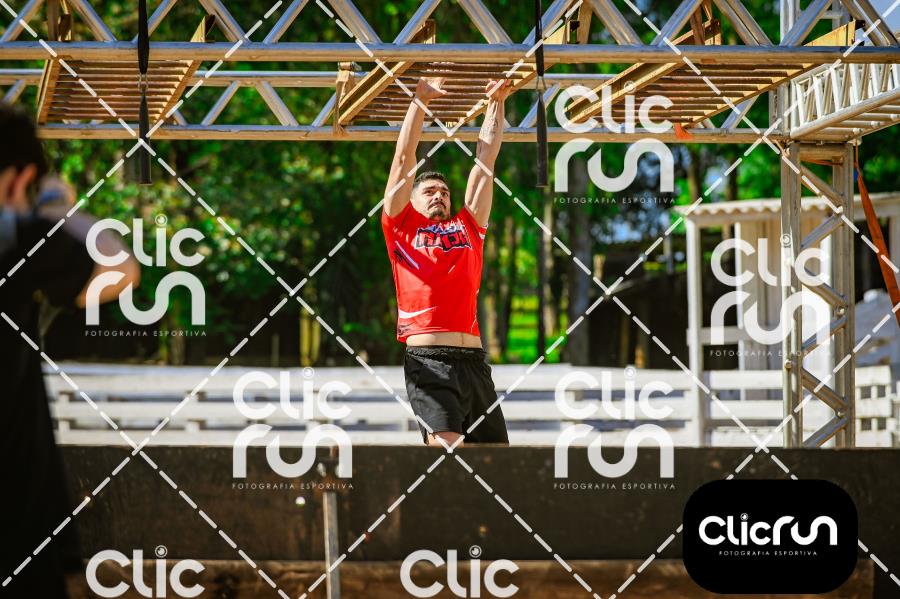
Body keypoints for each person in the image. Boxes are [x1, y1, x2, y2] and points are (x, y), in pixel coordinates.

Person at [0, 105, 140, 597]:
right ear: (19, 178)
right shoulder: (16, 240)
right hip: (14, 521)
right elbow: (120, 268)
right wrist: (58, 211)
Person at [381, 77, 511, 447]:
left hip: (474, 362)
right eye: (429, 191)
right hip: (429, 361)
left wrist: (497, 101)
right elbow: (403, 160)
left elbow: (485, 161)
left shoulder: (468, 226)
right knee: (449, 455)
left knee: (498, 463)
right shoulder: (401, 226)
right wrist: (420, 100)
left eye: (444, 191)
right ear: (411, 200)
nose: (439, 194)